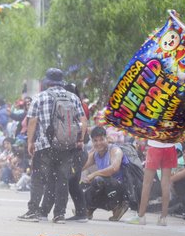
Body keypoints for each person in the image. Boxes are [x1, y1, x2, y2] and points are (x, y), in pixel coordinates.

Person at [18, 68, 85, 224]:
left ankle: (34, 211)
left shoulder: (40, 97)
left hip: (44, 145)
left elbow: (32, 121)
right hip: (66, 145)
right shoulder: (73, 97)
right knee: (62, 179)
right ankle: (59, 215)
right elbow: (83, 120)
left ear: (47, 82)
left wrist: (30, 142)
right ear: (61, 82)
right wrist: (80, 139)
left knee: (38, 178)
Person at [80, 126, 130, 221]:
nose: (98, 143)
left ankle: (119, 206)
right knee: (84, 187)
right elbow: (81, 167)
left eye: (101, 139)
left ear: (107, 138)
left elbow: (114, 168)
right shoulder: (95, 153)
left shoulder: (115, 150)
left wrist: (94, 174)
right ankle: (88, 209)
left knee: (97, 180)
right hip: (108, 188)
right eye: (95, 141)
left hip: (122, 191)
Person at [127, 136, 177, 226]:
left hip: (155, 146)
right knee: (166, 183)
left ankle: (141, 216)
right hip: (170, 147)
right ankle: (163, 218)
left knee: (147, 183)